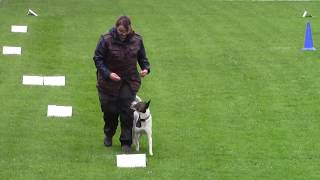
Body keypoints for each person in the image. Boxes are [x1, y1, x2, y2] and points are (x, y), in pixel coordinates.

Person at [93, 16, 150, 153]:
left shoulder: (137, 40)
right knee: (110, 111)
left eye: (125, 31)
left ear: (130, 27)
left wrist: (145, 68)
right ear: (116, 28)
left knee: (127, 111)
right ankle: (109, 133)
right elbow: (98, 58)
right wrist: (108, 73)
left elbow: (142, 58)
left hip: (128, 81)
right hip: (108, 82)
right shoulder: (106, 39)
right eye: (120, 31)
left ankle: (126, 142)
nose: (123, 34)